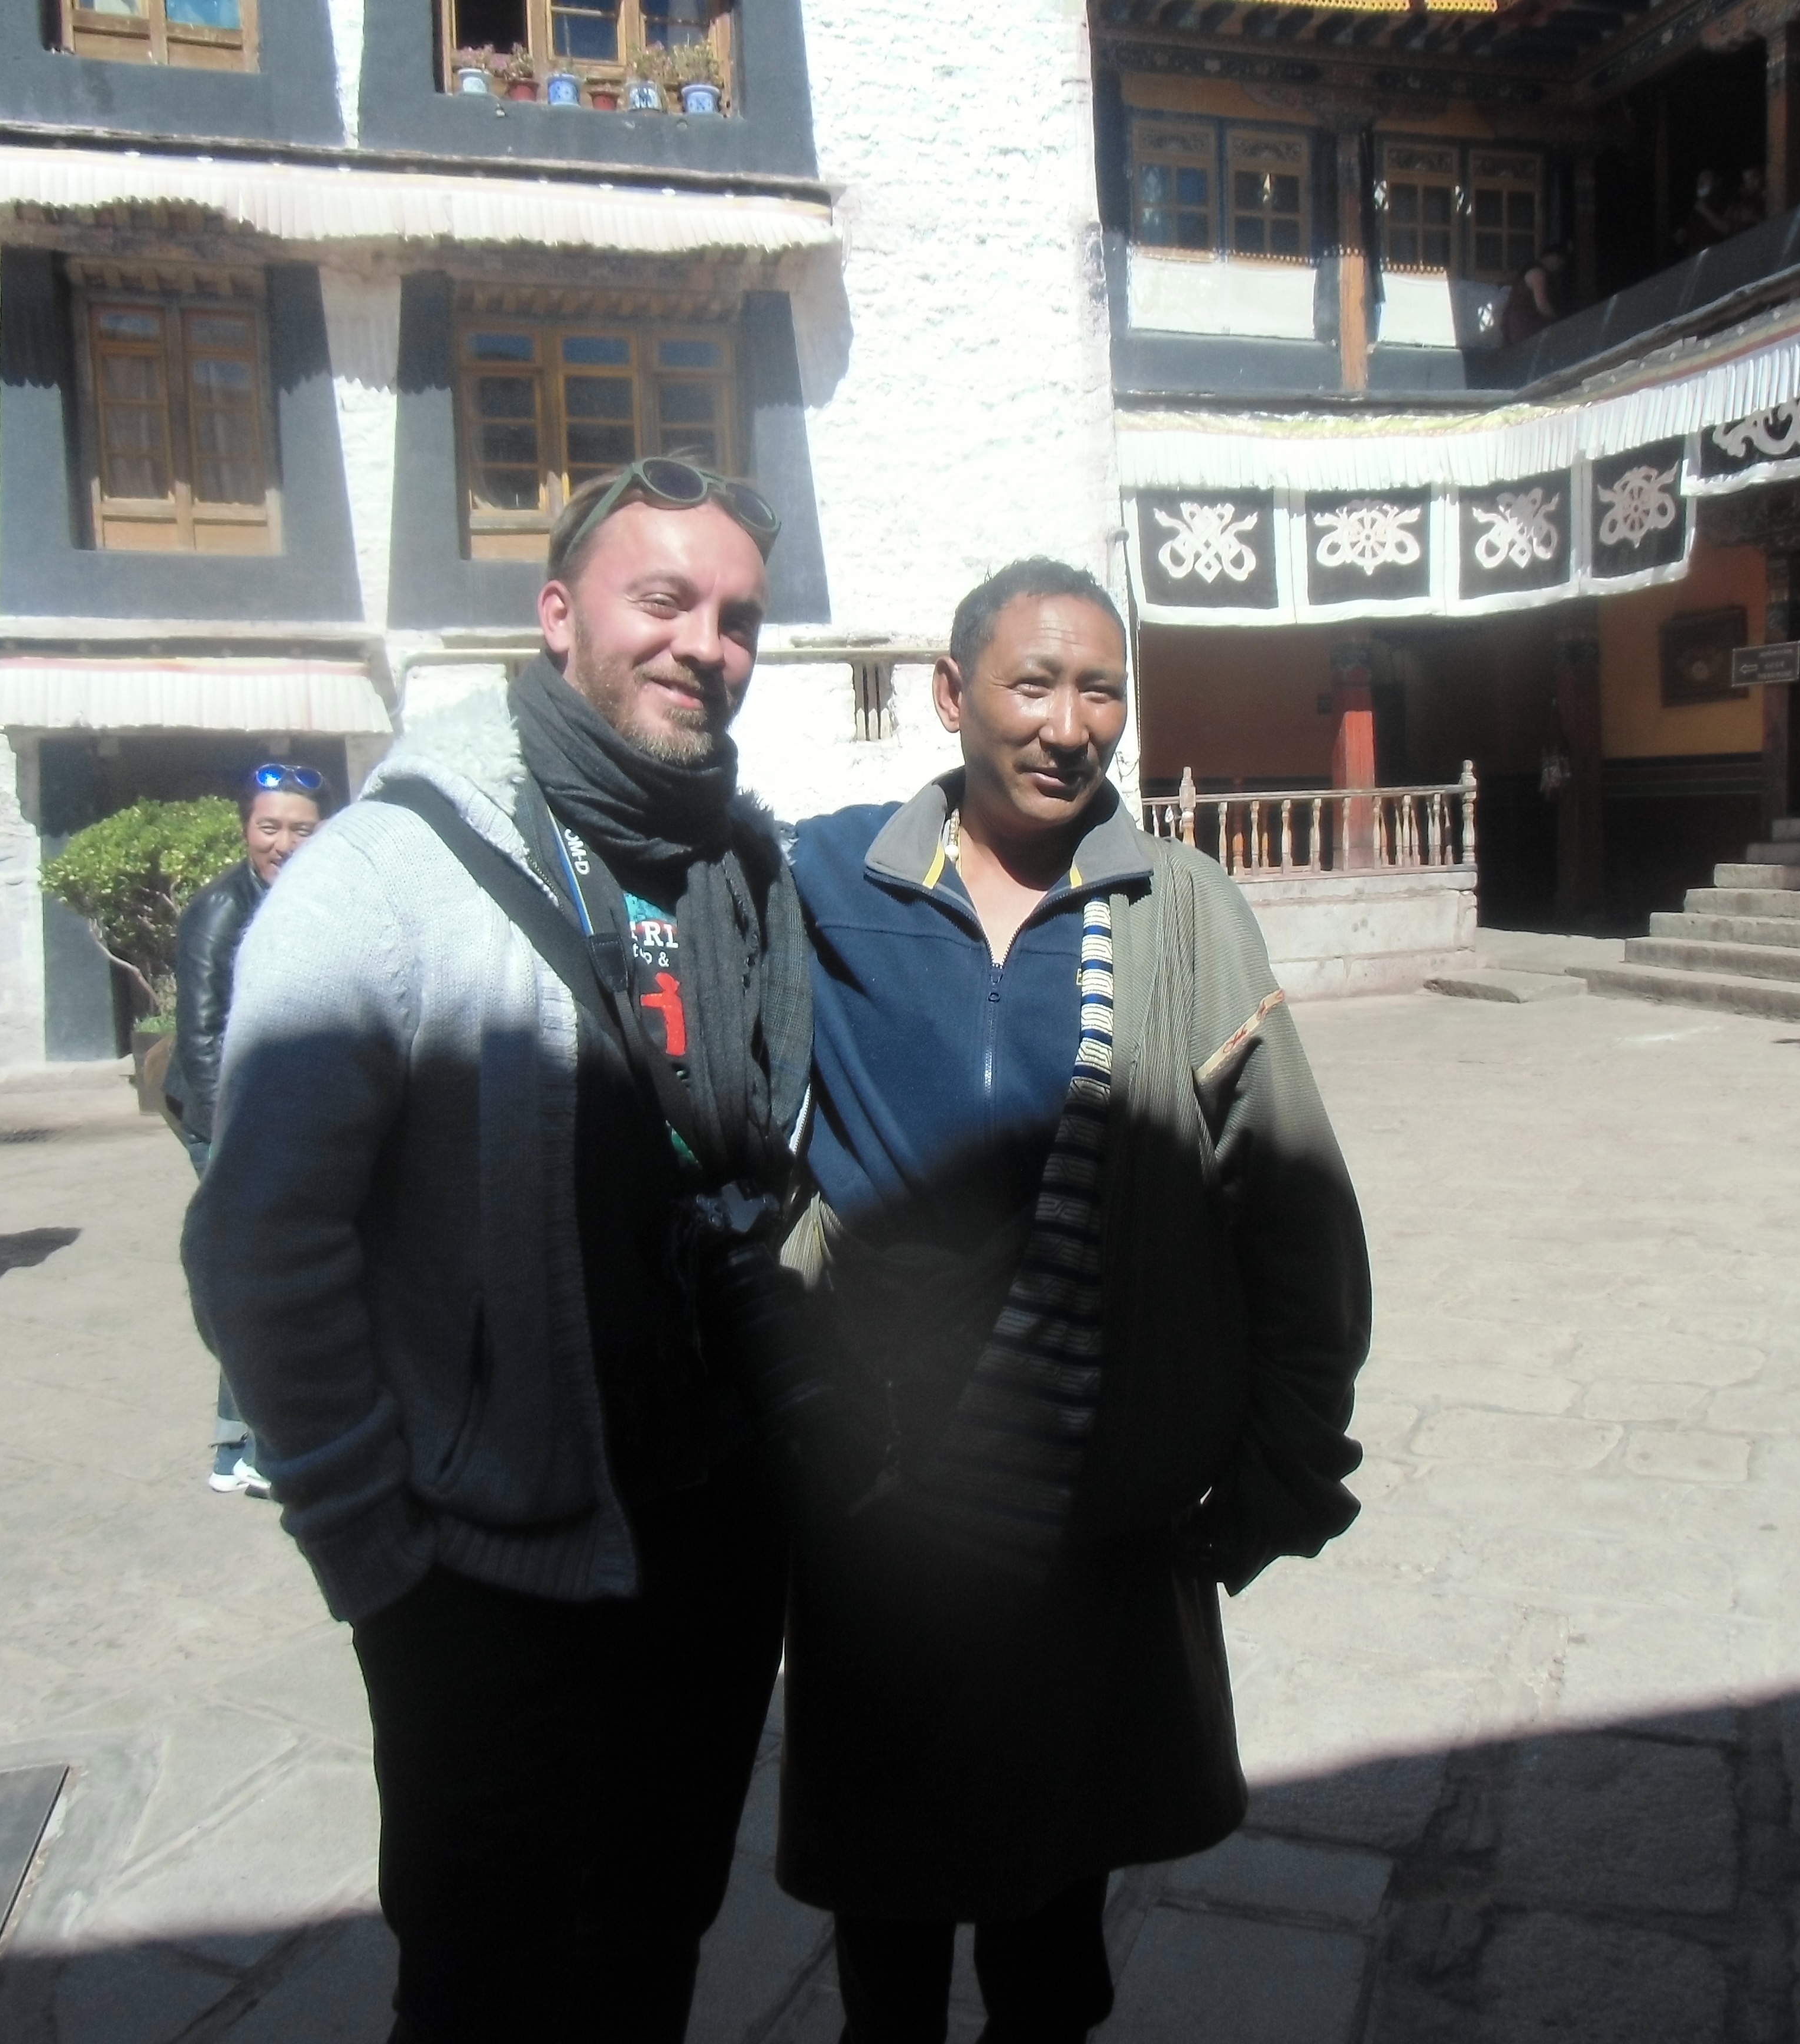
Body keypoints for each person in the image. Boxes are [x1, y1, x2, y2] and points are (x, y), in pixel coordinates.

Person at [183, 457, 809, 2042]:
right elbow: (261, 1244)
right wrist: (376, 1554)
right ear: (556, 615)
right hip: (489, 1571)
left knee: (658, 1935)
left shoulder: (740, 867)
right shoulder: (381, 875)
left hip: (711, 1536)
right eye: (661, 600)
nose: (704, 645)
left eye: (737, 617)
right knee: (489, 1979)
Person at [776, 559, 1374, 2043]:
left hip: (1083, 1513)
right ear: (950, 693)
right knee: (886, 1935)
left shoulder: (1180, 907)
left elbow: (1289, 1202)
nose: (1069, 724)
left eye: (1100, 689)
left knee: (1050, 1938)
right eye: (1032, 683)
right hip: (882, 1507)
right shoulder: (832, 884)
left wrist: (1280, 1460)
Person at [164, 763, 329, 1499]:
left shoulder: (309, 898)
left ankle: (242, 1445)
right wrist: (232, 1145)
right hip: (230, 1122)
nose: (284, 843)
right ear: (245, 831)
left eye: (302, 829)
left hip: (280, 1113)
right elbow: (200, 1039)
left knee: (266, 1277)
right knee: (261, 1281)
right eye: (270, 827)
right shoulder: (221, 910)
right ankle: (256, 1448)